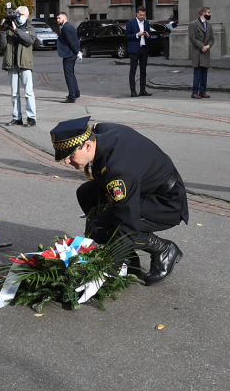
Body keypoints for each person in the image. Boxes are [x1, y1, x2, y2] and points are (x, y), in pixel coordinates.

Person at [50, 116, 187, 285]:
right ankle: (129, 258)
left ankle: (164, 249)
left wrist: (107, 271)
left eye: (70, 155)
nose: (66, 161)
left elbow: (127, 223)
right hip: (145, 189)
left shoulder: (118, 171)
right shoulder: (100, 132)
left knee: (99, 228)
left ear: (87, 145)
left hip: (165, 203)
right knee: (86, 193)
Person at [0, 5, 38, 126]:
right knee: (14, 93)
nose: (19, 17)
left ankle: (31, 117)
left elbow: (29, 41)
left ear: (26, 16)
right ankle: (17, 117)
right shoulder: (9, 28)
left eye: (21, 15)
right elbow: (2, 45)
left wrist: (15, 30)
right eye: (17, 15)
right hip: (12, 64)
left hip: (25, 64)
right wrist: (2, 30)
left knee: (28, 92)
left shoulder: (30, 28)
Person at [125, 7, 152, 96]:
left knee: (143, 70)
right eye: (140, 15)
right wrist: (137, 35)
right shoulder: (131, 23)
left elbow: (149, 36)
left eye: (143, 15)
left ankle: (142, 90)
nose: (142, 16)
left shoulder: (147, 23)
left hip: (144, 48)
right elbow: (127, 35)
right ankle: (133, 91)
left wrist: (147, 35)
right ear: (137, 14)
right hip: (134, 49)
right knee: (133, 70)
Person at [55, 11, 82, 103]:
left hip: (69, 54)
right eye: (57, 18)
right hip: (72, 54)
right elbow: (76, 40)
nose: (57, 20)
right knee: (71, 74)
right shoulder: (70, 27)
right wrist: (78, 51)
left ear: (65, 18)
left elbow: (71, 41)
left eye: (59, 18)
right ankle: (76, 92)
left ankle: (71, 97)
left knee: (68, 75)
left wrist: (77, 51)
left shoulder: (65, 28)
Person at [189, 7, 214, 99]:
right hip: (198, 52)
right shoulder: (193, 24)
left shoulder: (209, 25)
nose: (210, 14)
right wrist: (202, 46)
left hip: (206, 51)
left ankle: (202, 91)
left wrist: (208, 46)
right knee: (197, 73)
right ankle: (194, 92)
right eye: (208, 12)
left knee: (204, 73)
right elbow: (192, 38)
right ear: (204, 13)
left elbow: (212, 38)